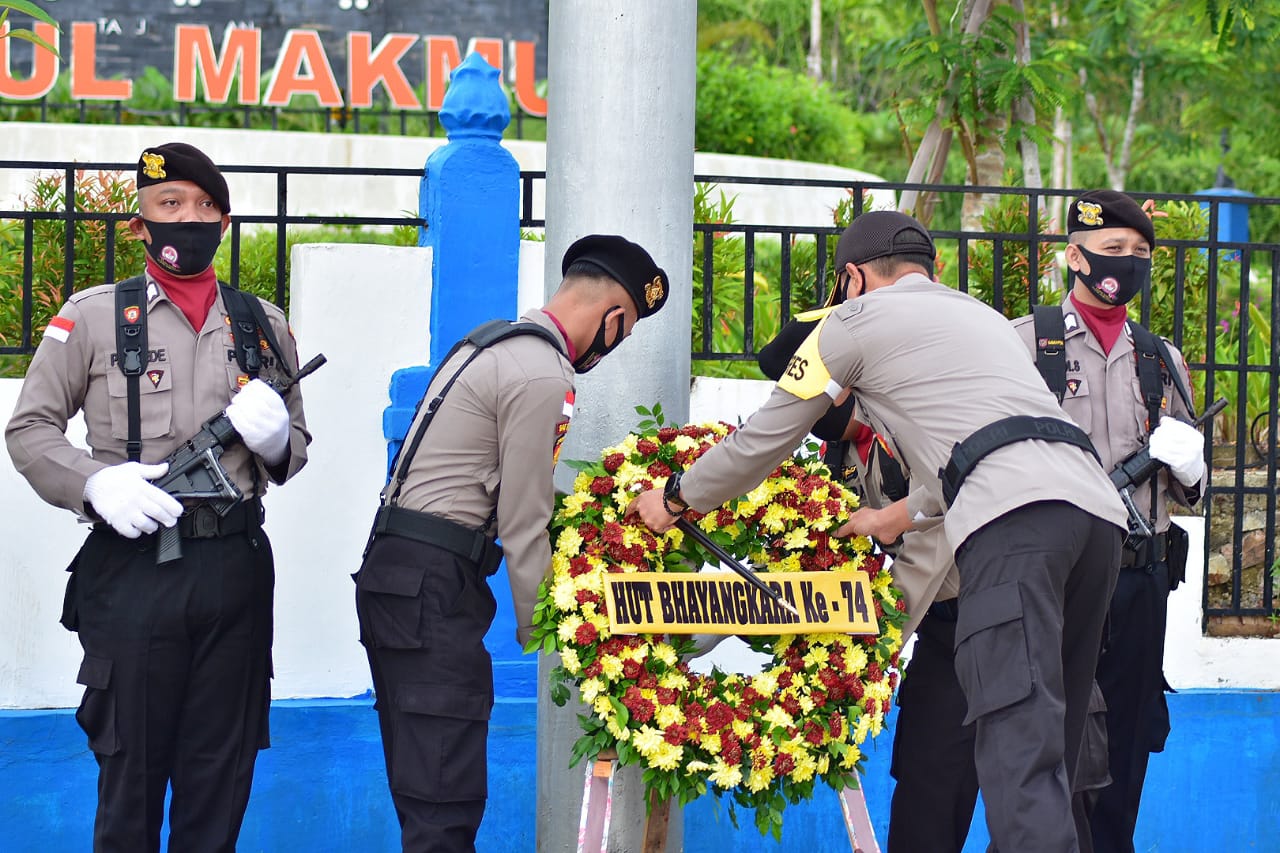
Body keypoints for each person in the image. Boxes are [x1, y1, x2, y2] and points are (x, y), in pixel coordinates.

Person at [629, 210, 1128, 852]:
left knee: (1019, 761)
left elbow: (766, 437)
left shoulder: (845, 322)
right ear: (929, 268)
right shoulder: (983, 319)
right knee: (1050, 758)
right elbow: (992, 448)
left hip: (1014, 530)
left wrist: (676, 497)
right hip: (1095, 517)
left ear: (853, 278)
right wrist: (900, 514)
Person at [6, 142, 310, 852]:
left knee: (220, 778)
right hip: (134, 568)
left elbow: (295, 445)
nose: (189, 219)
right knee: (131, 779)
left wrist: (272, 442)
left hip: (234, 565)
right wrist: (92, 482)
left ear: (224, 223)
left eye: (205, 207)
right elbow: (29, 430)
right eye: (170, 204)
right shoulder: (91, 318)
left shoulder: (263, 323)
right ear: (141, 225)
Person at [354, 234, 669, 852]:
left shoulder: (492, 342)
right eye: (624, 329)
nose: (614, 346)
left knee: (425, 792)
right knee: (444, 802)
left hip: (400, 577)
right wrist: (557, 635)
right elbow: (524, 516)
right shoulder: (542, 373)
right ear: (610, 316)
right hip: (433, 587)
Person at [1012, 189, 1205, 853]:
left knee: (1126, 750)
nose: (1127, 263)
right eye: (1113, 249)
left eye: (1141, 253)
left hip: (1138, 581)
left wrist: (1190, 465)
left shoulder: (1162, 358)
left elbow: (1187, 493)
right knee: (1050, 753)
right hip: (1055, 582)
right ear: (1075, 254)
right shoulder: (1025, 344)